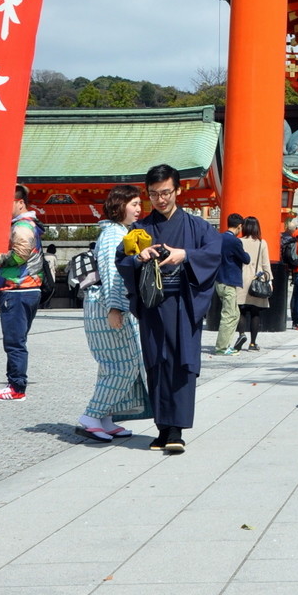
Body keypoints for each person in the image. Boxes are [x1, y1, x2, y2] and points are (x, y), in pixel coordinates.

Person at [116, 163, 222, 454]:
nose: (160, 200)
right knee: (156, 362)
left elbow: (215, 252)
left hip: (185, 303)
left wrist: (185, 254)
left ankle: (176, 428)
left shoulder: (197, 226)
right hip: (153, 306)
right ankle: (162, 428)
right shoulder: (140, 229)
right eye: (154, 194)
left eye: (165, 193)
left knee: (181, 363)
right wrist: (140, 257)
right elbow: (121, 261)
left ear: (178, 190)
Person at [75, 183, 149, 441]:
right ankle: (91, 415)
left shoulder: (117, 232)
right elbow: (112, 274)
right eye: (134, 204)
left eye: (139, 204)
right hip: (108, 307)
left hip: (104, 305)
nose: (139, 209)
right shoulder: (114, 236)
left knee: (112, 366)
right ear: (120, 206)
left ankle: (104, 417)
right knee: (124, 365)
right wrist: (115, 307)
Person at [0, 186, 45, 402]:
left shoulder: (21, 226)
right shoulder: (29, 224)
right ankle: (15, 385)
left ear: (21, 202)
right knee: (18, 339)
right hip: (28, 288)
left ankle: (16, 387)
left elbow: (19, 256)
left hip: (19, 290)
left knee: (14, 341)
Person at [211, 213, 250, 356]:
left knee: (234, 313)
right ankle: (222, 347)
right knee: (229, 315)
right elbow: (245, 259)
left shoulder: (218, 238)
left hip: (219, 280)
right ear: (239, 226)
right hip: (229, 281)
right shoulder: (235, 241)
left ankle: (226, 343)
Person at [235, 216, 272, 352]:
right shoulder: (262, 243)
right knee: (255, 312)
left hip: (241, 279)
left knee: (241, 311)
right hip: (257, 279)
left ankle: (241, 335)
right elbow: (265, 264)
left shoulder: (238, 241)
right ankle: (253, 343)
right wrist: (269, 280)